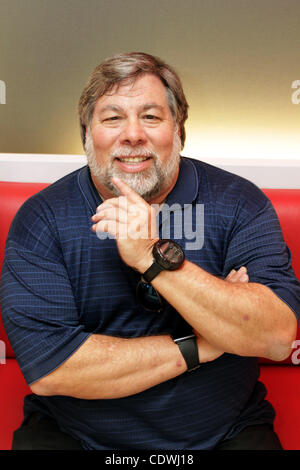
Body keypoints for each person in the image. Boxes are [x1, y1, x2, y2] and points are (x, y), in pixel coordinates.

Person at [1, 52, 299, 451]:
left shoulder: (240, 202)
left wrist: (151, 256)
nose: (132, 135)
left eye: (151, 117)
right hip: (77, 436)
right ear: (87, 133)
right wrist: (206, 343)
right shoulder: (43, 218)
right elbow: (53, 368)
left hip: (222, 434)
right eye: (112, 118)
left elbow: (276, 338)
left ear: (178, 130)